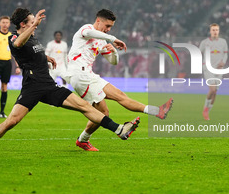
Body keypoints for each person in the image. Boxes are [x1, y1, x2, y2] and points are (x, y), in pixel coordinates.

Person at [0, 8, 139, 156]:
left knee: (85, 106)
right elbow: (18, 45)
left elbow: (31, 51)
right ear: (24, 24)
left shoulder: (31, 37)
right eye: (31, 21)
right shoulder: (13, 37)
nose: (35, 24)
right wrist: (33, 26)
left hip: (49, 85)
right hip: (32, 87)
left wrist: (46, 57)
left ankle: (120, 130)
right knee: (12, 121)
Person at [64, 9, 173, 151]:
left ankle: (157, 111)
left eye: (111, 27)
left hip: (89, 75)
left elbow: (113, 61)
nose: (108, 30)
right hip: (79, 75)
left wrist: (114, 51)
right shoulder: (87, 29)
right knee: (103, 114)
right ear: (98, 21)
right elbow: (89, 34)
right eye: (107, 26)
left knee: (120, 96)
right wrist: (113, 38)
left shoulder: (102, 39)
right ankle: (84, 140)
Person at [199, 23, 228, 120]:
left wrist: (223, 62)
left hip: (219, 69)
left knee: (215, 92)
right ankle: (205, 109)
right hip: (208, 68)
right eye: (213, 30)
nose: (215, 32)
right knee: (212, 89)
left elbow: (225, 54)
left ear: (219, 31)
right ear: (210, 31)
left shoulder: (223, 42)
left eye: (217, 30)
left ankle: (207, 111)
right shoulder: (205, 42)